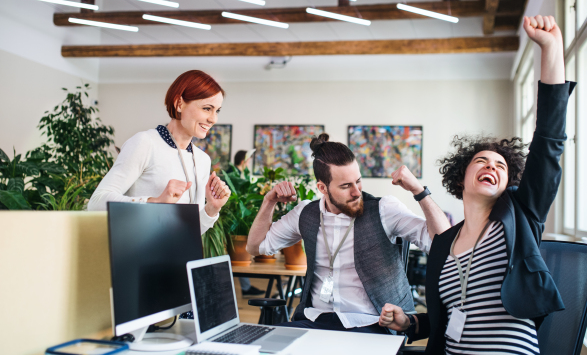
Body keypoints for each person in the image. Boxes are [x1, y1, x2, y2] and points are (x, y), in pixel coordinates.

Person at [379, 15, 572, 354]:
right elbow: (448, 317)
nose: (491, 166)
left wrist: (551, 49)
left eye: (500, 165)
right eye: (481, 161)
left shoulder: (521, 215)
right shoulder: (444, 244)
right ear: (461, 177)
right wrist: (408, 322)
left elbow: (549, 142)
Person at [246, 134, 451, 334]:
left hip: (374, 324)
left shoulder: (383, 209)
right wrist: (269, 201)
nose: (356, 192)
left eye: (358, 181)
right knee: (262, 342)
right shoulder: (305, 213)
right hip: (315, 320)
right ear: (322, 188)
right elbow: (255, 247)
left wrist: (419, 191)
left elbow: (444, 243)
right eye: (346, 186)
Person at [88, 70, 231, 236]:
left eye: (217, 111)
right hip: (139, 256)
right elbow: (97, 201)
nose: (213, 119)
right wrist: (154, 202)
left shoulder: (202, 160)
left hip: (182, 259)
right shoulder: (145, 143)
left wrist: (212, 209)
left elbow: (191, 232)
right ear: (179, 103)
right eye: (207, 108)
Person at [232, 149, 266, 297]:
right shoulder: (232, 174)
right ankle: (244, 288)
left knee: (240, 256)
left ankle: (246, 288)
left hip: (240, 218)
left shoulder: (243, 175)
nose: (249, 164)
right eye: (249, 161)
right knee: (237, 256)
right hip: (233, 221)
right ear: (243, 161)